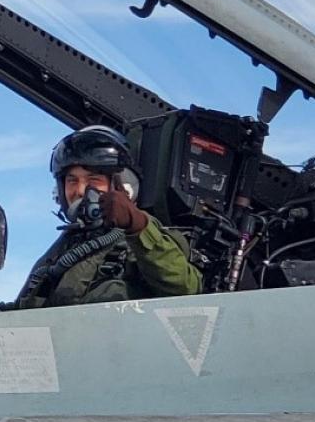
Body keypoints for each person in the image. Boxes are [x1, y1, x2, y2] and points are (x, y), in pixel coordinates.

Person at [15, 125, 202, 308]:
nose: (80, 191)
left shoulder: (145, 239)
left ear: (124, 186)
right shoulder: (60, 251)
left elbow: (186, 290)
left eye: (93, 180)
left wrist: (137, 225)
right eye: (72, 180)